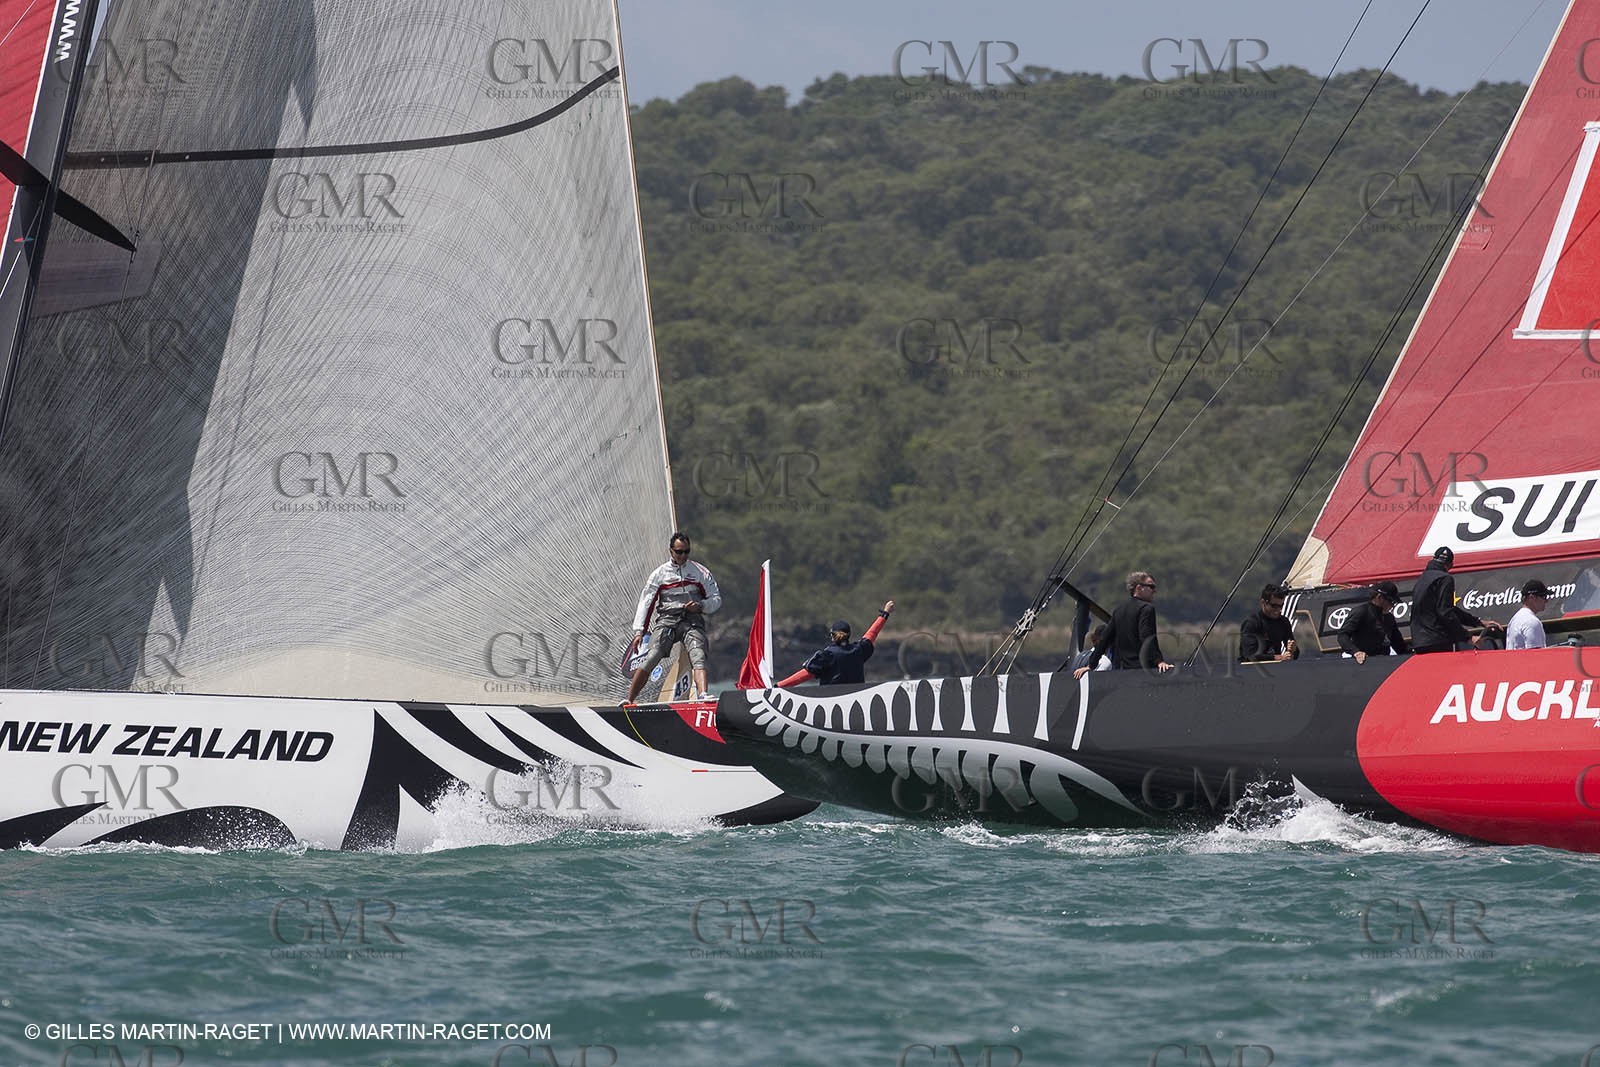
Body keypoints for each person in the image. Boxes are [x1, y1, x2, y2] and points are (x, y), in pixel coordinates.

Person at [626, 533, 722, 703]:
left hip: (692, 620)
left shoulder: (700, 572)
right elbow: (646, 603)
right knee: (652, 655)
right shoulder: (659, 574)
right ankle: (630, 700)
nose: (683, 556)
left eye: (686, 552)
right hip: (667, 620)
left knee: (698, 654)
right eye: (679, 552)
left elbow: (716, 599)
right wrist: (639, 632)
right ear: (671, 551)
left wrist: (700, 606)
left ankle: (702, 696)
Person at [1073, 571, 1175, 677]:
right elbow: (1146, 636)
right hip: (1144, 671)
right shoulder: (1147, 609)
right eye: (1151, 587)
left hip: (1125, 672)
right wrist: (1159, 661)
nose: (1154, 591)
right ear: (1139, 588)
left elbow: (1105, 639)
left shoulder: (1118, 610)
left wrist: (1091, 665)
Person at [776, 600, 895, 686]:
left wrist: (779, 685)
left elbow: (805, 675)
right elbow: (872, 634)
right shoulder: (859, 650)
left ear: (832, 636)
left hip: (831, 704)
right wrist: (884, 614)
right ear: (849, 635)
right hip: (857, 702)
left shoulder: (827, 655)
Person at [1410, 546, 1503, 654]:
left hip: (1419, 642)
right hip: (1437, 641)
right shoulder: (1445, 578)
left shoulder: (1421, 580)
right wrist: (1467, 637)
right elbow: (1445, 612)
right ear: (1450, 565)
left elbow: (1448, 609)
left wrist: (1478, 622)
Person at [1337, 581, 1410, 663]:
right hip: (1363, 662)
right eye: (1391, 601)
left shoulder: (1389, 618)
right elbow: (1343, 635)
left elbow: (1399, 645)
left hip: (1383, 661)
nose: (1392, 605)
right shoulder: (1361, 612)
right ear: (1379, 597)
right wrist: (1356, 652)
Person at [1239, 584, 1299, 663]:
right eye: (1274, 606)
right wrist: (1278, 657)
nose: (1278, 610)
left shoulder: (1283, 622)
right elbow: (1249, 655)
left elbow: (1294, 654)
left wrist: (1293, 650)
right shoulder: (1252, 623)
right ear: (1263, 602)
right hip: (1251, 669)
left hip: (1274, 668)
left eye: (1281, 606)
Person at [1506, 579, 1553, 650]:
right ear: (1532, 598)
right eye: (1544, 597)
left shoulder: (1514, 619)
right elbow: (1535, 655)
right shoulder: (1532, 622)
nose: (1546, 601)